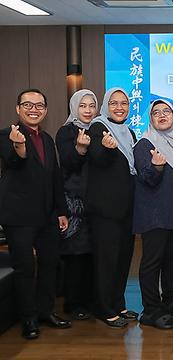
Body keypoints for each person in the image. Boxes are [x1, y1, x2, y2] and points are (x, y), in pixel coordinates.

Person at [0, 89, 71, 339]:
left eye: (40, 105)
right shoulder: (7, 134)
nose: (34, 109)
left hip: (48, 216)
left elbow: (55, 177)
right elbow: (13, 161)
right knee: (25, 268)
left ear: (46, 110)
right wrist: (19, 146)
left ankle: (45, 312)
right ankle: (28, 319)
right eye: (28, 105)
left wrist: (62, 211)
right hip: (18, 217)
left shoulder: (48, 139)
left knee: (51, 264)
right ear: (18, 108)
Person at [134, 99, 173, 329]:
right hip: (155, 214)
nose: (162, 115)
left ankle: (170, 301)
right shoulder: (145, 143)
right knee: (152, 261)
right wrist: (157, 166)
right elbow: (146, 178)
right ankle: (150, 309)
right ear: (150, 118)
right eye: (156, 112)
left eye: (166, 111)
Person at [86, 87, 138, 328]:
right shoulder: (97, 127)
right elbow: (96, 159)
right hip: (105, 209)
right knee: (106, 260)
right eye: (114, 103)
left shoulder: (128, 132)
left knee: (122, 258)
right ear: (106, 105)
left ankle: (118, 303)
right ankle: (104, 308)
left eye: (124, 103)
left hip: (126, 208)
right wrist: (107, 149)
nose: (119, 107)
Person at [55, 89, 98, 321]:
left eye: (92, 105)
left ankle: (90, 300)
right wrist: (80, 148)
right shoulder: (66, 131)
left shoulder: (100, 129)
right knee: (75, 255)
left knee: (93, 254)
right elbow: (68, 163)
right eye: (83, 106)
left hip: (96, 202)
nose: (88, 110)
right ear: (74, 108)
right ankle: (74, 303)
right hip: (75, 204)